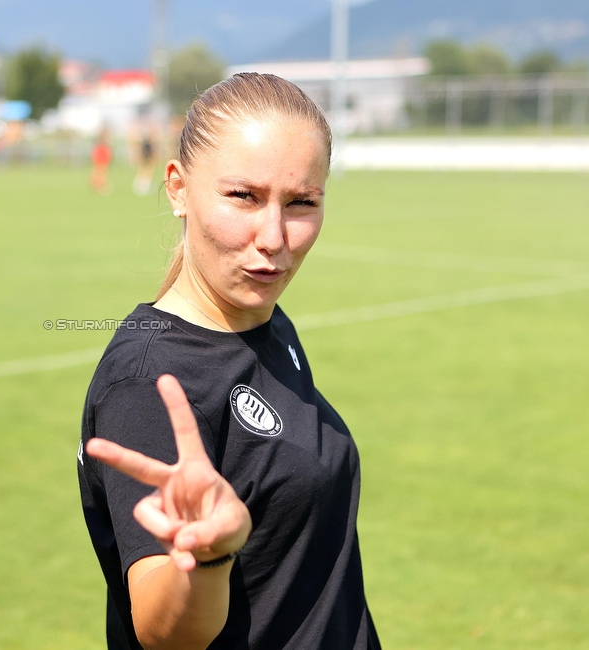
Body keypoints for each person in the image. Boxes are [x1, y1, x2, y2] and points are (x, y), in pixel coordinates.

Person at [78, 72, 382, 649]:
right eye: (243, 196)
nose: (274, 236)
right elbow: (163, 632)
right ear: (177, 188)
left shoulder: (264, 323)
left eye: (301, 203)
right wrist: (208, 555)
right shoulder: (149, 383)